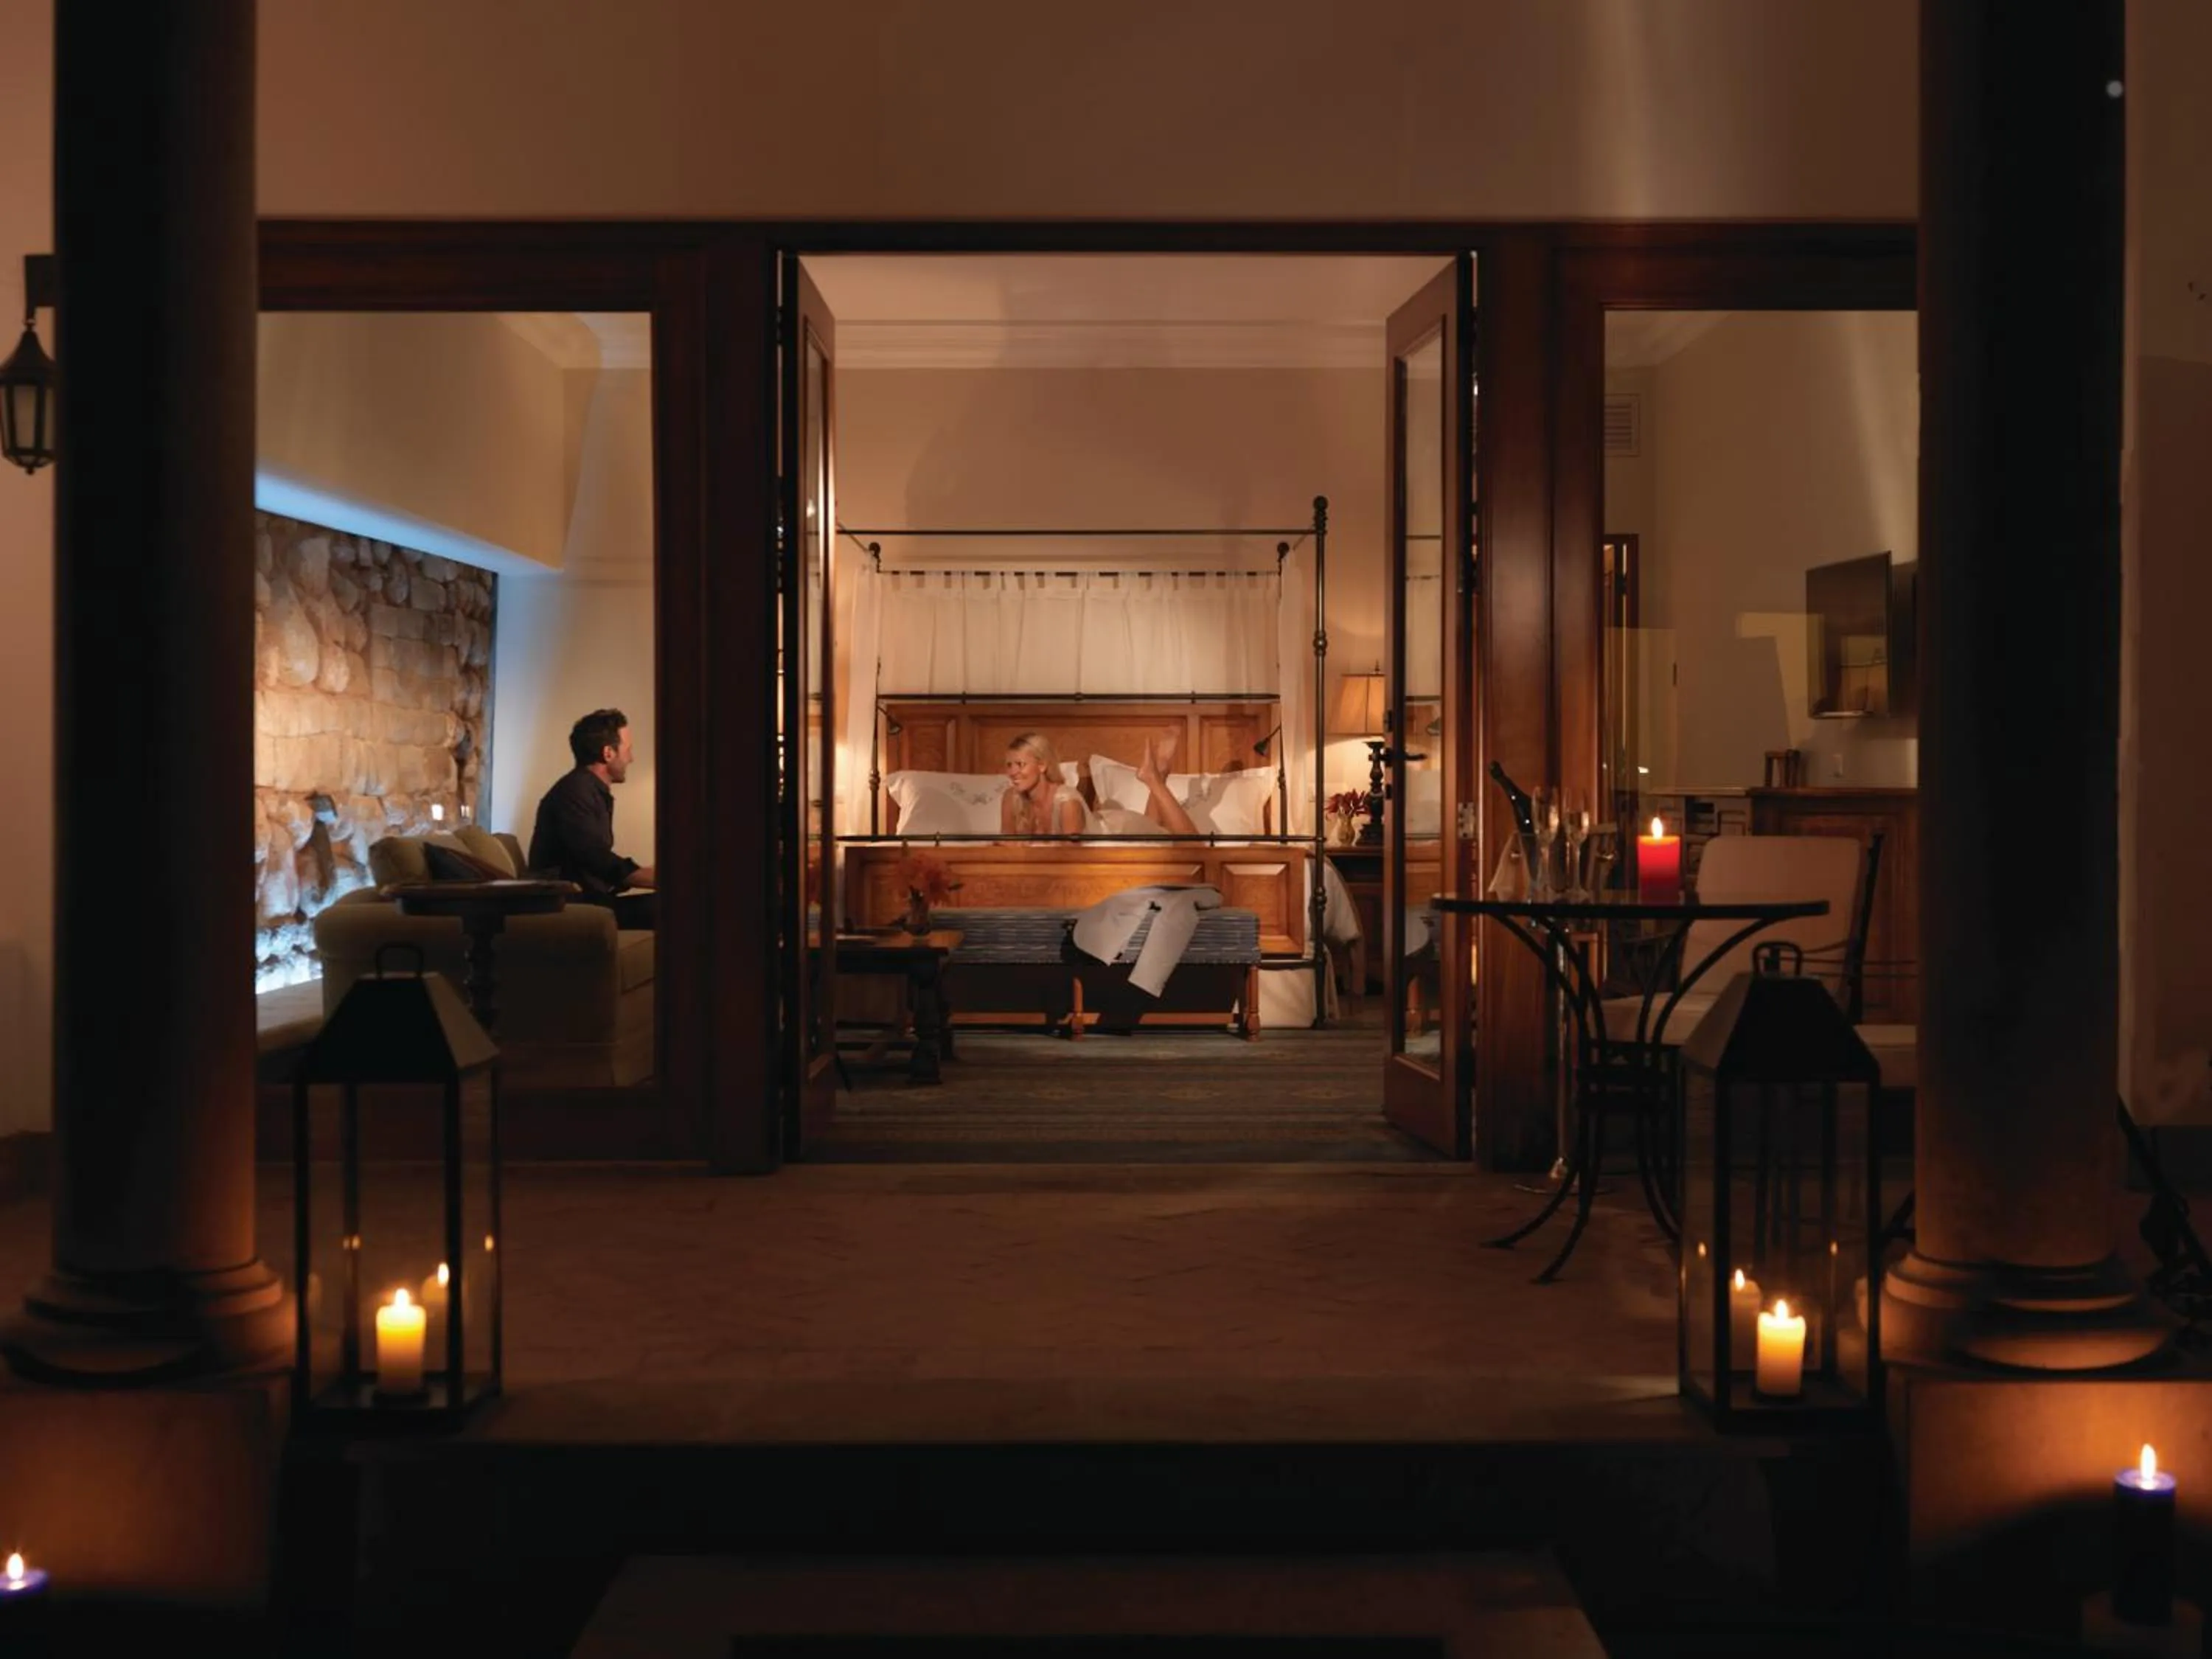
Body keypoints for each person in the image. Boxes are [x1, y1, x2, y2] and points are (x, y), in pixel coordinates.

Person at [529, 707, 658, 929]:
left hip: (590, 902)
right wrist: (650, 877)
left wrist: (644, 873)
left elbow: (593, 863)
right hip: (573, 909)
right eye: (628, 750)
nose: (631, 758)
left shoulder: (587, 790)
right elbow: (596, 858)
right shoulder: (574, 793)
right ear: (608, 753)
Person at [998, 728, 1200, 838]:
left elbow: (1069, 859)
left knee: (1192, 846)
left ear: (1042, 766)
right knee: (1154, 828)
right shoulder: (1011, 798)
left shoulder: (1066, 801)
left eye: (1020, 764)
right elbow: (1006, 844)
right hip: (1100, 821)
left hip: (1119, 829)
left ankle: (1154, 780)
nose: (1013, 772)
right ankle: (1161, 771)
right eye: (1009, 765)